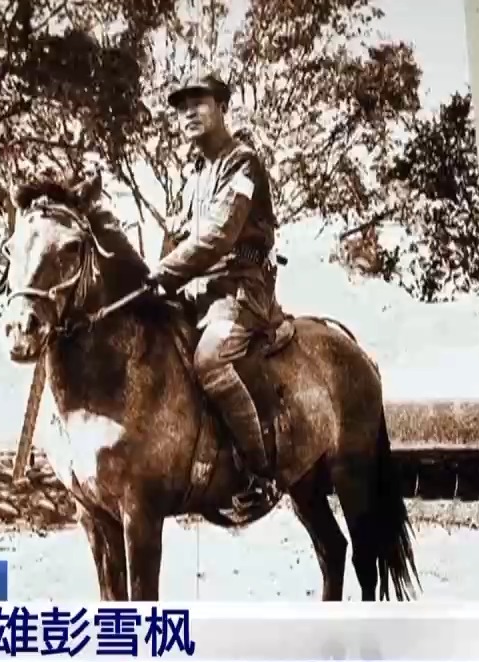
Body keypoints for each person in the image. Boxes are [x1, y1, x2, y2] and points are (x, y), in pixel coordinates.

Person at [145, 73, 286, 513]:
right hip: (199, 292)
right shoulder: (195, 176)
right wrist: (149, 282)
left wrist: (164, 273)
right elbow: (176, 237)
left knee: (209, 360)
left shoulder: (243, 163)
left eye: (199, 103)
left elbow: (222, 235)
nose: (189, 113)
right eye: (182, 108)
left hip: (242, 288)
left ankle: (261, 475)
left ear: (222, 107)